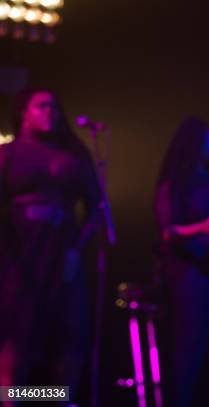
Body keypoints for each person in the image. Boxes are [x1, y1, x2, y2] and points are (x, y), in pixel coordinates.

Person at [0, 88, 100, 401]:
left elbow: (96, 208)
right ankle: (12, 398)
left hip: (63, 256)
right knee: (18, 333)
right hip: (20, 257)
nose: (50, 112)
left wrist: (76, 250)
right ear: (24, 112)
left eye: (55, 107)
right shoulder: (9, 153)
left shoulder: (73, 154)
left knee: (68, 333)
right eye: (42, 106)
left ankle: (58, 398)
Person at [154, 117, 209, 406]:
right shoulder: (176, 185)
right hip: (190, 274)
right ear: (196, 144)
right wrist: (200, 229)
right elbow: (167, 231)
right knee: (190, 349)